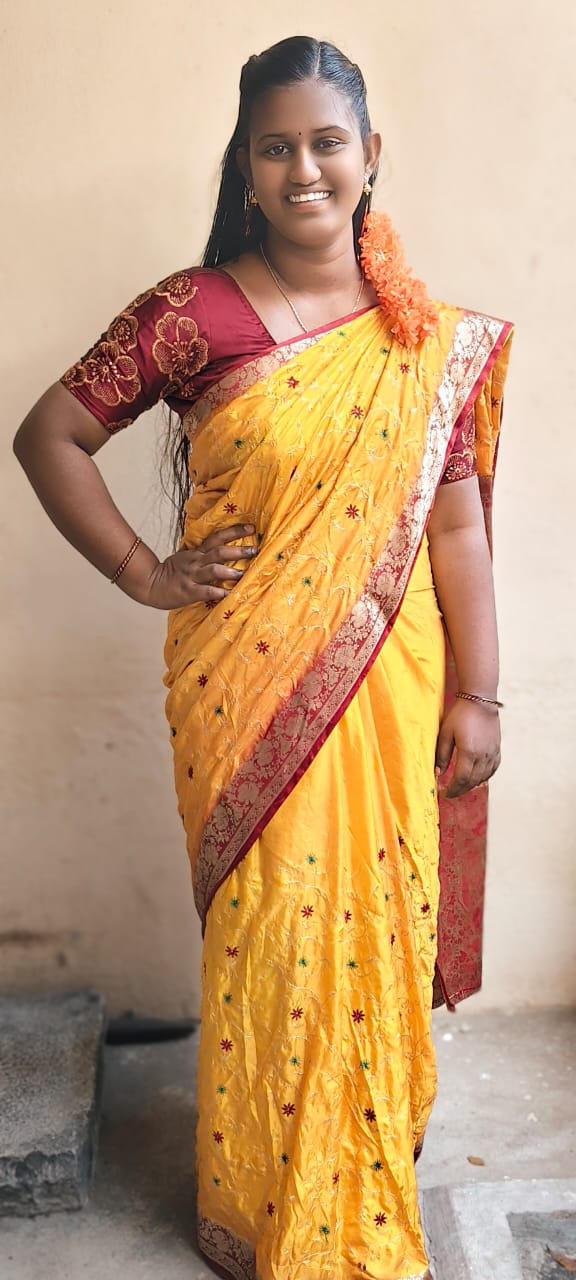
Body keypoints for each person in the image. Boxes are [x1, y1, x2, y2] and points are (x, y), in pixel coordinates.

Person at [13, 35, 513, 1280]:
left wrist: (481, 690)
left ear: (370, 154)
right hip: (247, 690)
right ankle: (267, 1205)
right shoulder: (192, 313)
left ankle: (359, 1182)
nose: (304, 169)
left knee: (378, 930)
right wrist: (145, 571)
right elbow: (50, 433)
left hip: (391, 691)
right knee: (280, 932)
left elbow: (455, 526)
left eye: (327, 142)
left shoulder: (418, 337)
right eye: (276, 146)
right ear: (245, 167)